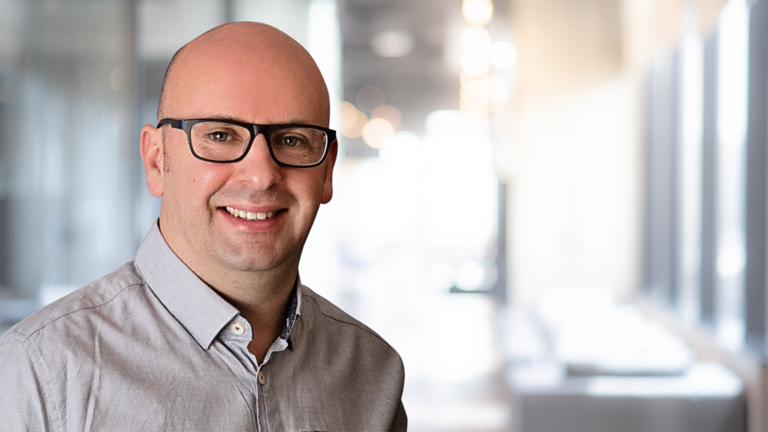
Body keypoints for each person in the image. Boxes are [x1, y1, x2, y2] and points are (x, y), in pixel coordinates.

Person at [0, 22, 407, 431]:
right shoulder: (41, 373)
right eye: (220, 135)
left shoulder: (372, 373)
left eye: (292, 140)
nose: (261, 175)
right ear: (157, 159)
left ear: (327, 171)